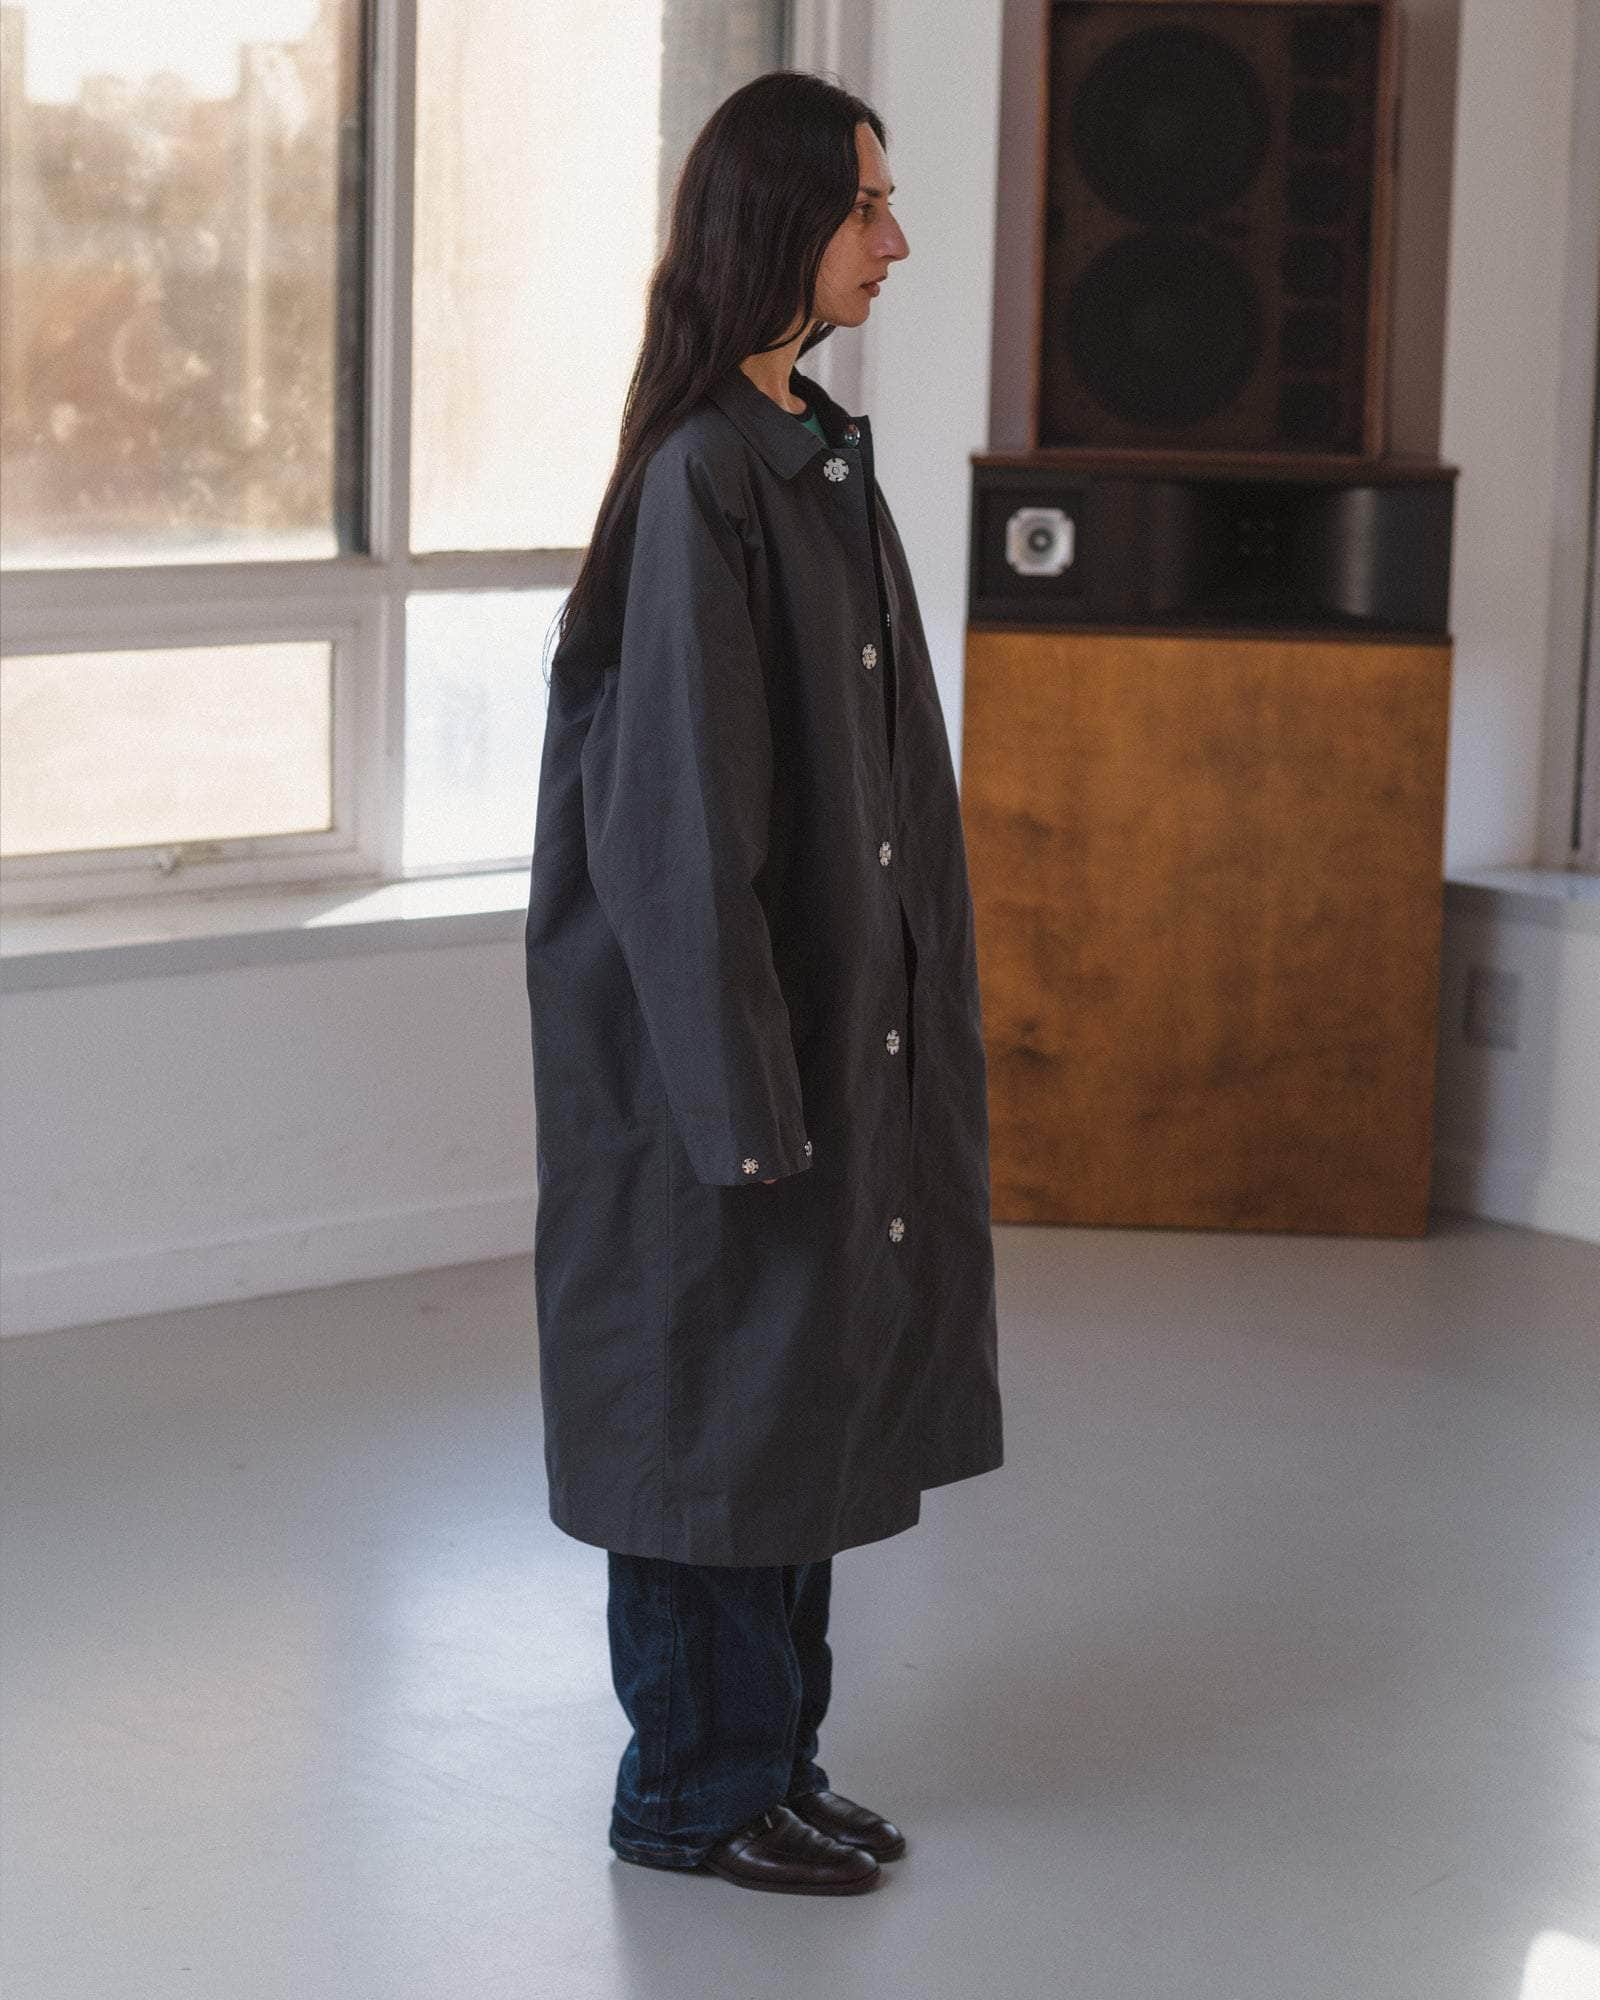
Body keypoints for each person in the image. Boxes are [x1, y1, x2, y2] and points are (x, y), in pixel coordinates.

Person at [523, 69, 1004, 1896]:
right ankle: (691, 1793)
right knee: (710, 1423)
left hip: (814, 1046)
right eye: (866, 204)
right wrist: (743, 1106)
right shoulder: (702, 479)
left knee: (791, 1408)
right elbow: (675, 832)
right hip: (719, 1071)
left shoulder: (809, 452)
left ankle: (772, 1762)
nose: (896, 239)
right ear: (778, 221)